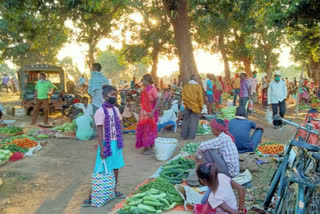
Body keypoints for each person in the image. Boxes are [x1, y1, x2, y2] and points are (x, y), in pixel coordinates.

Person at [82, 85, 125, 207]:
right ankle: (91, 196)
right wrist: (102, 147)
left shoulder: (116, 110)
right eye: (112, 95)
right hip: (106, 143)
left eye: (116, 95)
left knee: (115, 168)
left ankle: (113, 191)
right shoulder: (100, 112)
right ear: (105, 97)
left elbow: (120, 123)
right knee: (100, 169)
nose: (114, 97)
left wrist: (119, 132)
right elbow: (100, 130)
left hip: (116, 143)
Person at [136, 74, 160, 155]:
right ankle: (146, 147)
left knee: (150, 129)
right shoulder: (145, 89)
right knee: (144, 129)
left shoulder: (153, 89)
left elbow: (158, 100)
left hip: (151, 111)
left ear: (147, 81)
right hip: (145, 112)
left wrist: (153, 111)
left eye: (143, 80)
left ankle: (150, 148)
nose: (142, 82)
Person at [88, 63, 109, 137]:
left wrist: (92, 97)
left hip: (95, 102)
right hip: (104, 102)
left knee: (95, 118)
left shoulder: (92, 79)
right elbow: (108, 90)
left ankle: (95, 133)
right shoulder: (104, 78)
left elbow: (89, 90)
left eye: (92, 68)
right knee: (105, 118)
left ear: (94, 69)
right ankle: (105, 133)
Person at [181, 75, 204, 140]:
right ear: (196, 80)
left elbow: (183, 97)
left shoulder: (185, 86)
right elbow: (200, 98)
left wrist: (187, 104)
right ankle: (191, 137)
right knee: (194, 121)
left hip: (187, 106)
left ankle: (183, 136)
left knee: (186, 121)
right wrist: (201, 107)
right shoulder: (198, 87)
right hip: (196, 106)